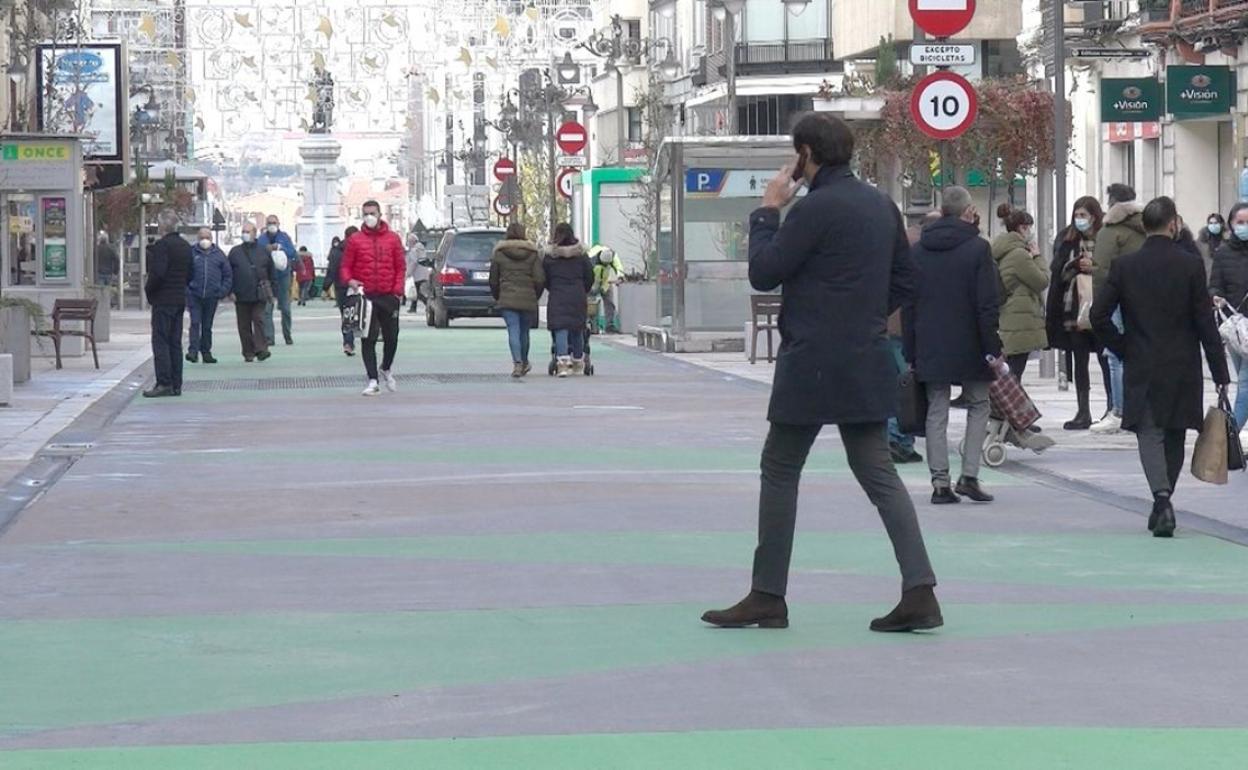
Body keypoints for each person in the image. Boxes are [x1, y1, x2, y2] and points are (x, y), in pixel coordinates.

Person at [701, 113, 940, 634]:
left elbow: (765, 271)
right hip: (865, 354)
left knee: (781, 468)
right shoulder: (882, 206)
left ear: (806, 154)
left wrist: (767, 211)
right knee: (878, 471)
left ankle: (768, 595)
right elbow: (907, 279)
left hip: (810, 358)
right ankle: (920, 589)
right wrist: (868, 315)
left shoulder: (813, 210)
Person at [1091, 196, 1230, 538]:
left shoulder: (1125, 266)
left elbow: (1098, 315)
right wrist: (1220, 373)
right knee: (1175, 433)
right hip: (1182, 364)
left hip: (1142, 361)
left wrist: (1123, 347)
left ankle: (1161, 498)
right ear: (1173, 224)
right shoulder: (1190, 265)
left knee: (1149, 433)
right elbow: (1203, 322)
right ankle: (1164, 499)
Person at [905, 187, 1000, 504]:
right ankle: (969, 476)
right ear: (968, 211)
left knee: (936, 408)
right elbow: (987, 304)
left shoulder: (919, 251)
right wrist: (992, 348)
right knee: (978, 404)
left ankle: (939, 484)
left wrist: (910, 350)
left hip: (930, 341)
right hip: (970, 341)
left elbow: (909, 305)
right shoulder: (977, 249)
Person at [1047, 196, 1112, 430]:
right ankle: (1082, 411)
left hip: (1101, 309)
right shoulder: (1067, 239)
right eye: (1077, 215)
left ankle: (1112, 408)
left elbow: (1112, 269)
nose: (1080, 219)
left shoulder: (1106, 238)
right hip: (1072, 308)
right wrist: (1073, 266)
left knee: (1107, 359)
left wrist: (1093, 267)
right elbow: (1057, 273)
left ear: (1095, 216)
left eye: (1084, 215)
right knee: (1079, 359)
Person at [1089, 184, 1147, 435]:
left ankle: (1120, 411)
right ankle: (1140, 408)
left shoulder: (1110, 230)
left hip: (1117, 299)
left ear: (1112, 203)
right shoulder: (1147, 226)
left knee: (1115, 356)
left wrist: (1100, 301)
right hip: (1145, 299)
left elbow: (1100, 268)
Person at [341, 200, 405, 396]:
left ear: (379, 214)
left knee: (391, 337)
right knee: (367, 339)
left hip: (388, 295)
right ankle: (372, 380)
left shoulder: (393, 239)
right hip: (365, 296)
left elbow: (400, 267)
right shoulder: (355, 240)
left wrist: (397, 291)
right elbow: (345, 267)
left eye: (372, 213)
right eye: (366, 213)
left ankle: (385, 367)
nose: (369, 217)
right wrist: (349, 280)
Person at [991, 204, 1048, 383]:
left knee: (1010, 372)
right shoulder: (1019, 255)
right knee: (1014, 374)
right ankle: (1008, 411)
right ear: (1020, 228)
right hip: (1020, 320)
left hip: (1009, 317)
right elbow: (1042, 281)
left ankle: (1003, 410)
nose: (1029, 232)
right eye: (1027, 227)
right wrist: (1038, 257)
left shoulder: (1002, 250)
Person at [143, 210, 192, 398]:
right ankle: (176, 383)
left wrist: (149, 291)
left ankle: (164, 382)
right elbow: (191, 273)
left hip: (163, 300)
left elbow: (158, 273)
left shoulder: (162, 246)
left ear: (163, 226)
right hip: (179, 298)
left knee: (161, 341)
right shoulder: (185, 246)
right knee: (175, 342)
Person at [1210, 202, 1248, 431]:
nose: (1244, 226)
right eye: (1240, 222)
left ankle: (1228, 437)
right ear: (1231, 224)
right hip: (1235, 328)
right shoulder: (1223, 253)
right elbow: (1214, 285)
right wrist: (1216, 297)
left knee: (1245, 383)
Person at [489, 223, 544, 377]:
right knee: (524, 332)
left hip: (507, 297)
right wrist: (535, 295)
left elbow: (493, 279)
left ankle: (517, 363)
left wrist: (498, 296)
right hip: (528, 297)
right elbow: (539, 279)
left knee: (513, 330)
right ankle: (525, 361)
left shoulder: (499, 254)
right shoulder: (533, 254)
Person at [542, 223, 594, 377]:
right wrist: (582, 289)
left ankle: (563, 364)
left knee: (560, 329)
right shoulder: (581, 255)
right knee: (577, 328)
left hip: (558, 295)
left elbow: (544, 277)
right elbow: (589, 276)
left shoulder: (550, 257)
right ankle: (578, 362)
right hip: (577, 295)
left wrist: (553, 287)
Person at [226, 222, 275, 363]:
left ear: (254, 233)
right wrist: (230, 291)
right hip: (240, 294)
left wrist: (272, 289)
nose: (245, 234)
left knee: (259, 319)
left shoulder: (263, 250)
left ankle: (261, 349)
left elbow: (271, 271)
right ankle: (248, 352)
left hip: (259, 293)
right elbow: (229, 273)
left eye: (248, 231)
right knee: (243, 325)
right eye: (243, 231)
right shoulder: (235, 252)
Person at [186, 227, 232, 364]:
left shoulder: (219, 254)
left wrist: (222, 291)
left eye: (207, 237)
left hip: (212, 296)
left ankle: (206, 352)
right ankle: (193, 351)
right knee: (195, 323)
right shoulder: (191, 253)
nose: (204, 240)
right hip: (194, 295)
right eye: (201, 237)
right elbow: (183, 273)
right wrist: (187, 291)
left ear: (211, 238)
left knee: (207, 326)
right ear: (197, 238)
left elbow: (228, 275)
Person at [258, 214, 297, 346]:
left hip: (283, 276)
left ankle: (287, 335)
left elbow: (292, 253)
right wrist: (266, 250)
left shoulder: (284, 237)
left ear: (278, 224)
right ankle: (269, 338)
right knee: (267, 309)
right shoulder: (262, 239)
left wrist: (280, 247)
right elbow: (257, 254)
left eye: (274, 222)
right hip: (267, 278)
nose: (272, 225)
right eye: (269, 223)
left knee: (285, 308)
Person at [325, 228, 358, 356]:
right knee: (362, 314)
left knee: (346, 316)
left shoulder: (335, 251)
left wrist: (325, 287)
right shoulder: (360, 247)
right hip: (357, 286)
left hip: (341, 287)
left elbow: (331, 270)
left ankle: (348, 343)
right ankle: (367, 339)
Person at [588, 244, 625, 333]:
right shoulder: (590, 258)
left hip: (605, 283)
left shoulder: (612, 256)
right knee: (589, 304)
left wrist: (620, 276)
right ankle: (589, 323)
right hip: (592, 283)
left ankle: (610, 325)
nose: (606, 265)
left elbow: (618, 266)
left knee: (609, 303)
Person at [405, 234, 429, 314]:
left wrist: (408, 273)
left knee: (417, 292)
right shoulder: (421, 248)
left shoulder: (414, 250)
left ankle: (427, 304)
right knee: (415, 290)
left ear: (412, 241)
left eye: (409, 241)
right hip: (423, 273)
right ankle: (413, 307)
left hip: (417, 274)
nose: (408, 243)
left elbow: (413, 263)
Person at [94, 231, 119, 304]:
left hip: (98, 272)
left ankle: (102, 304)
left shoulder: (96, 249)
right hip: (108, 272)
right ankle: (108, 303)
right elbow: (117, 259)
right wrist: (116, 270)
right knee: (108, 290)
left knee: (100, 290)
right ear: (106, 240)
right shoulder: (110, 249)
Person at [1198, 213, 1226, 278]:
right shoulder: (1201, 242)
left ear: (1221, 224)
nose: (1213, 225)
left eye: (1216, 223)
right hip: (1207, 277)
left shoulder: (1228, 241)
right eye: (1210, 223)